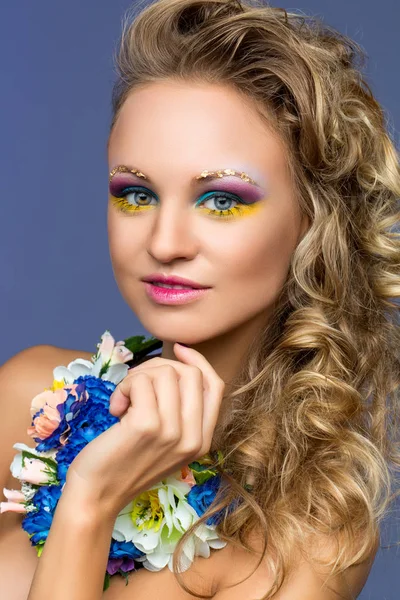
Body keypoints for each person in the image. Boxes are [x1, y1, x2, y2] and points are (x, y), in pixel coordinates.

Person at [0, 0, 399, 598]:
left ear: (315, 220)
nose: (163, 243)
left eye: (222, 200)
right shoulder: (30, 402)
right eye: (136, 193)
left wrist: (90, 504)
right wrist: (88, 486)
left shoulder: (309, 539)